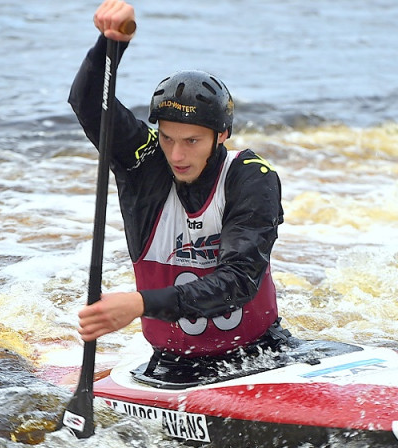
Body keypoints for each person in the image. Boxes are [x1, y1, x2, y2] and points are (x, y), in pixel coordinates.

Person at [71, 0, 290, 366]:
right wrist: (113, 41)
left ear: (222, 135)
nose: (176, 156)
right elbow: (89, 104)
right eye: (168, 138)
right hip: (172, 362)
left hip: (260, 356)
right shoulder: (145, 166)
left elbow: (238, 281)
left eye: (192, 141)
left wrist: (140, 304)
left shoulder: (251, 176)